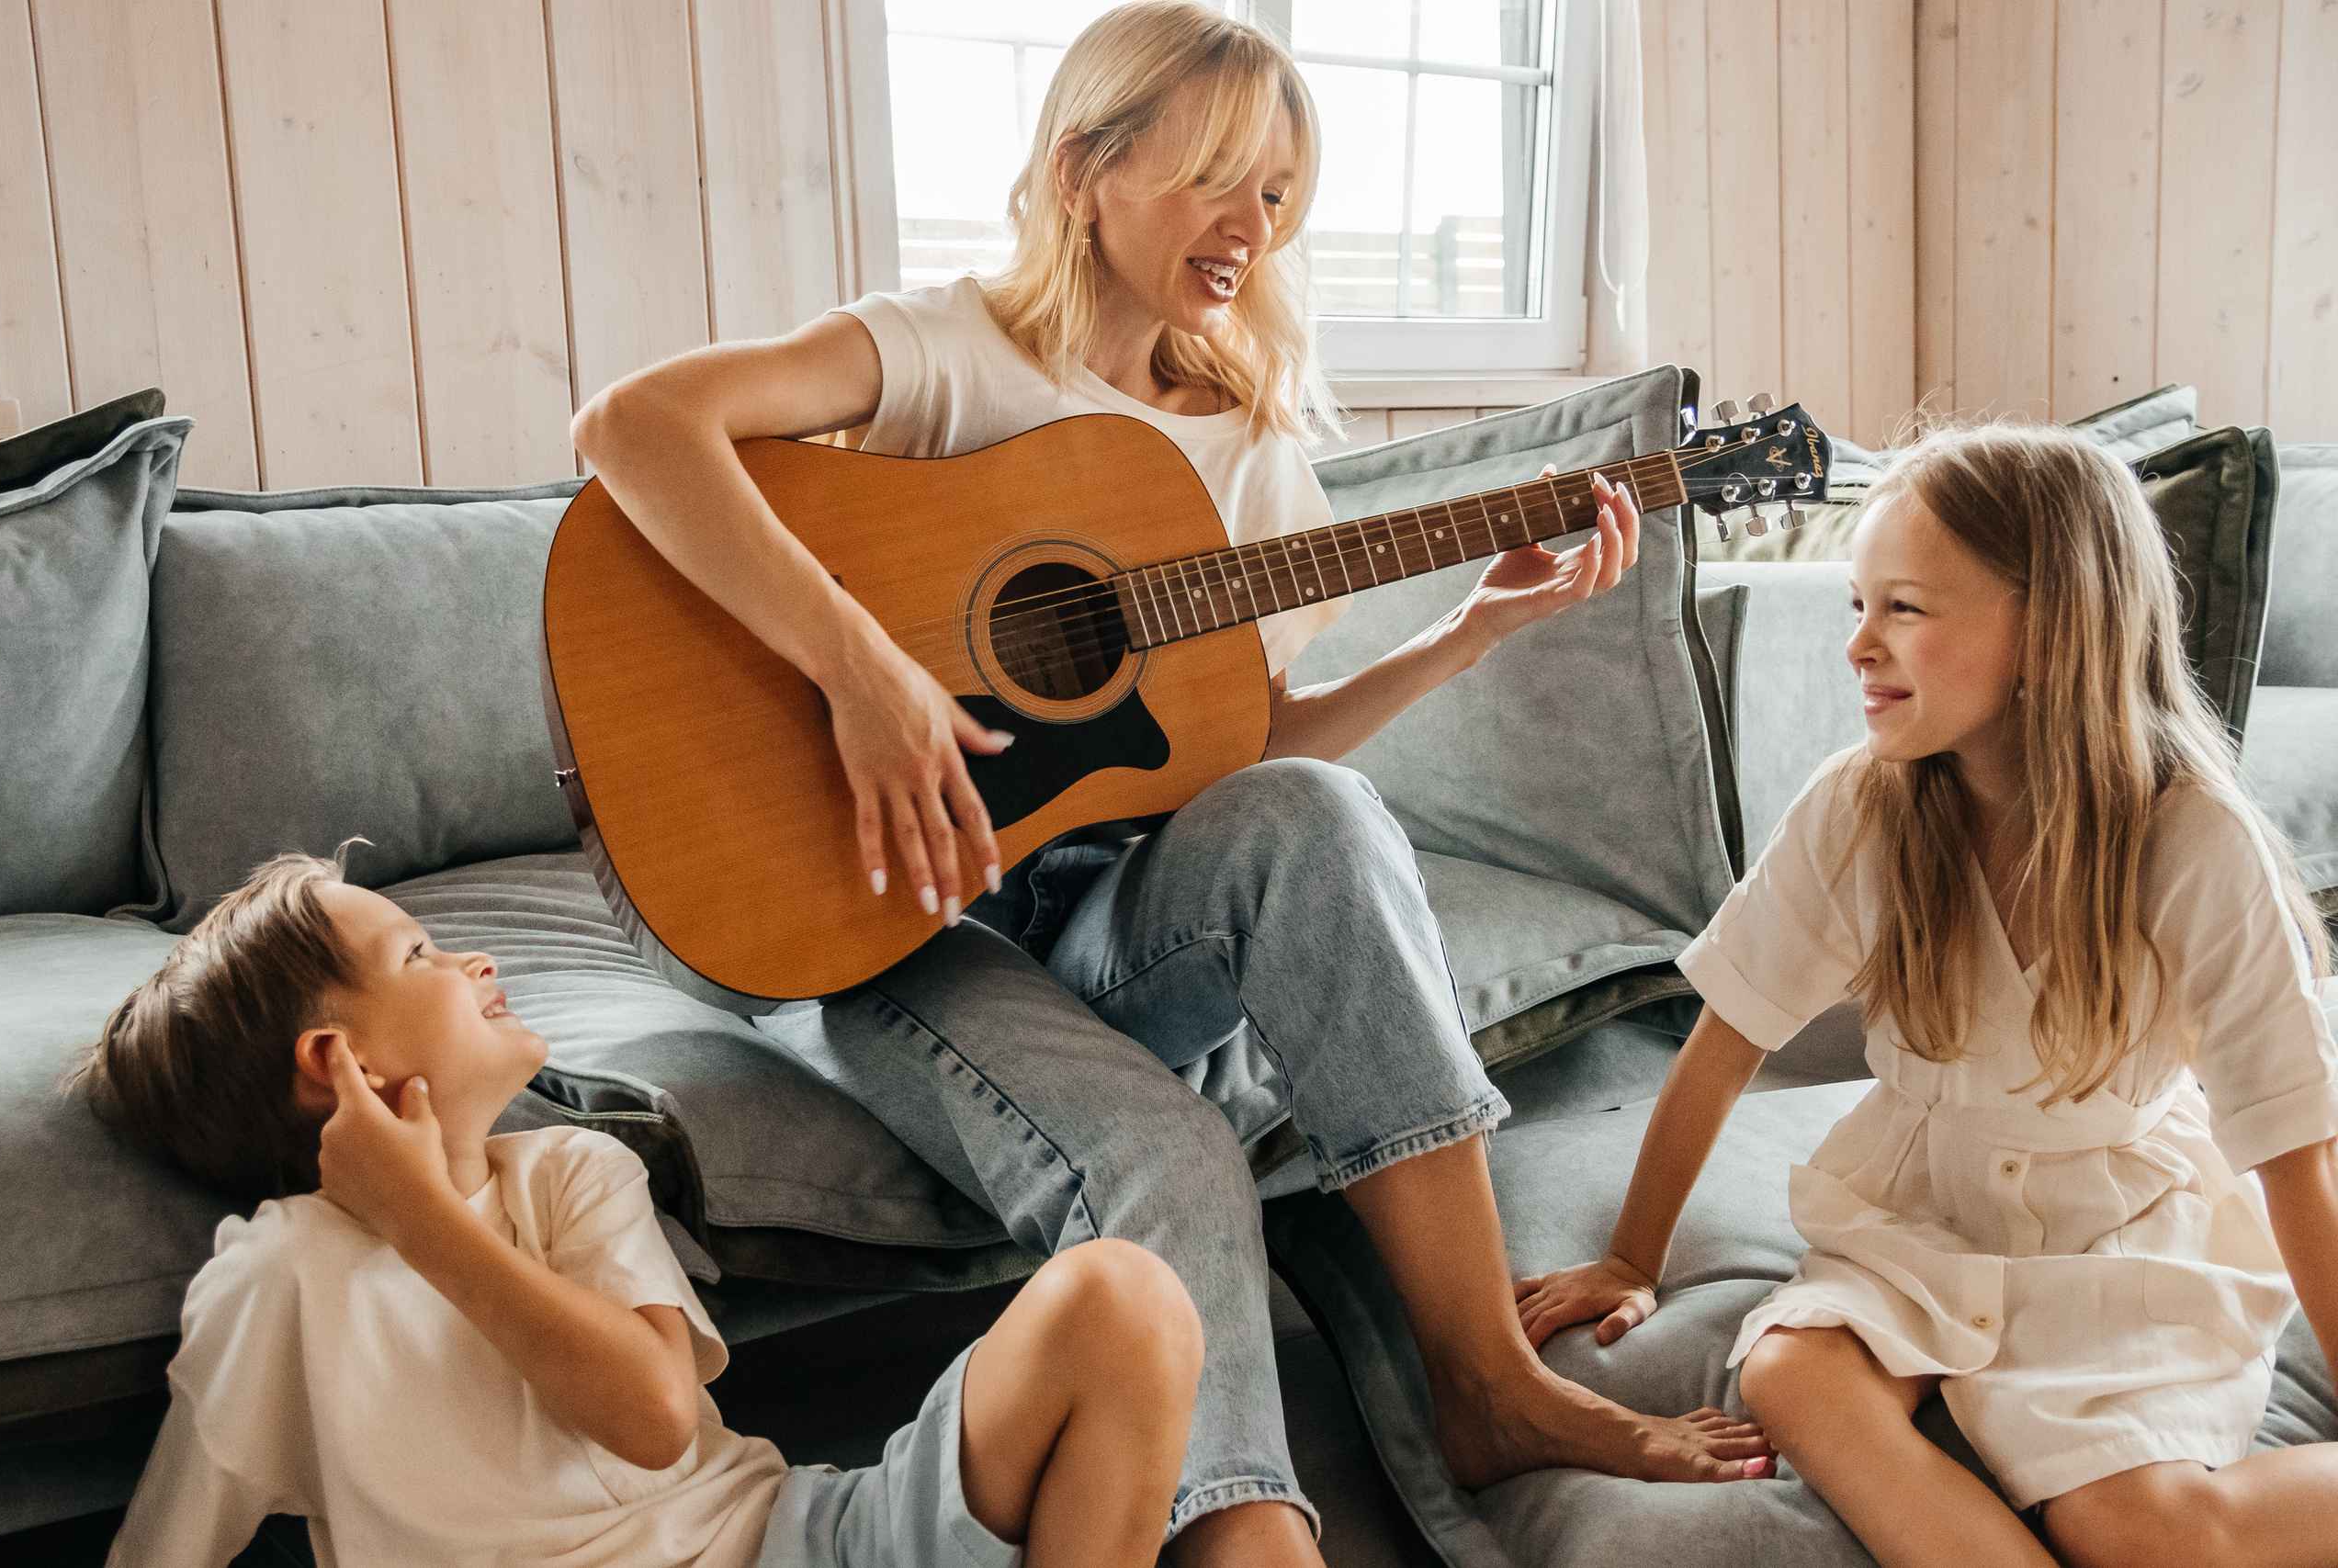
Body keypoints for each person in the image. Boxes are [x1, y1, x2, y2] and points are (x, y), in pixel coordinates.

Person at [570, 2, 1768, 1559]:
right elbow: (635, 426)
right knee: (1172, 1147)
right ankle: (1247, 1534)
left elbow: (1244, 761)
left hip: (1100, 916)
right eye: (1215, 175)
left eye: (1278, 192)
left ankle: (1487, 1381)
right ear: (1086, 169)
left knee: (1321, 812)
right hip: (886, 917)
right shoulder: (944, 351)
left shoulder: (1251, 451)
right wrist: (863, 673)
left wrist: (1473, 632)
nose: (1249, 225)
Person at [1515, 423, 2338, 1568]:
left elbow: (2292, 1147)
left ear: (2047, 633)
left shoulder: (2192, 840)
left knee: (2135, 1530)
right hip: (1919, 1207)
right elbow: (1727, 1034)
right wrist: (1630, 1257)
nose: (1856, 645)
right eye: (1857, 604)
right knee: (1791, 1371)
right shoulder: (1860, 805)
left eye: (1902, 607)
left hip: (2118, 1235)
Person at [85, 851, 1204, 1567]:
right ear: (339, 1065)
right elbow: (167, 1545)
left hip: (795, 1547)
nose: (473, 958)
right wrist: (408, 1220)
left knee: (1129, 1297)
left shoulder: (571, 1171)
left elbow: (655, 1415)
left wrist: (428, 1220)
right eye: (418, 954)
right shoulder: (280, 1274)